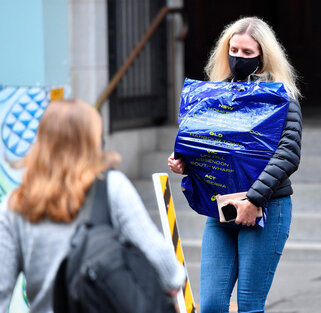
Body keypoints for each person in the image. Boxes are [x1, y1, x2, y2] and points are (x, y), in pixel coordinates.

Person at [0, 99, 185, 312]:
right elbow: (162, 262)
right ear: (92, 143)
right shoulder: (111, 187)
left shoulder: (15, 207)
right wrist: (174, 279)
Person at [168, 17, 302, 312]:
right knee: (213, 305)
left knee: (249, 305)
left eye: (247, 53)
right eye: (234, 50)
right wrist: (186, 162)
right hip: (222, 208)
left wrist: (254, 199)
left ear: (263, 57)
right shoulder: (214, 95)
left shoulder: (282, 97)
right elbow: (212, 148)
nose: (238, 57)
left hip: (266, 207)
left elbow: (288, 154)